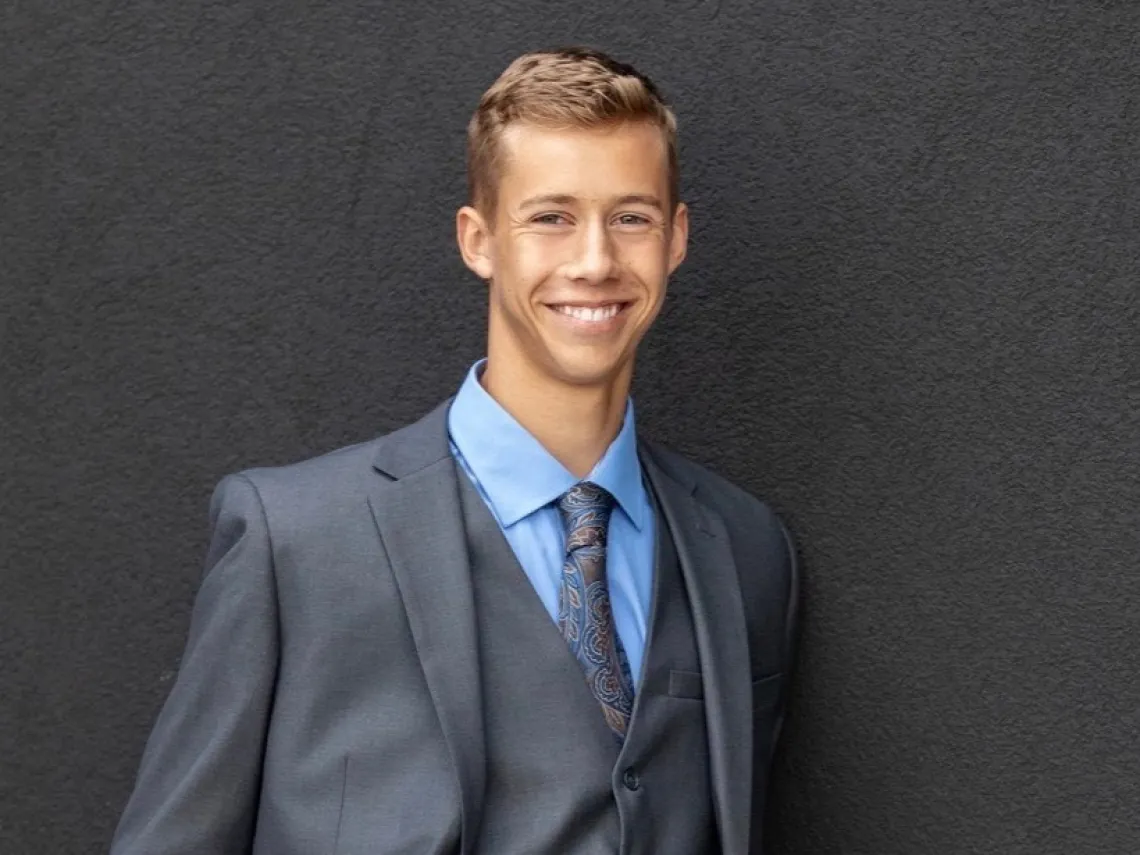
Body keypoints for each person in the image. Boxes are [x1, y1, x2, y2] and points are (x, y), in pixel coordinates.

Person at [110, 46, 799, 855]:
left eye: (631, 217)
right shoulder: (295, 540)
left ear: (676, 238)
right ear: (478, 241)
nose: (595, 260)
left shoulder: (747, 551)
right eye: (551, 217)